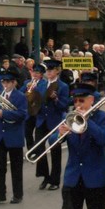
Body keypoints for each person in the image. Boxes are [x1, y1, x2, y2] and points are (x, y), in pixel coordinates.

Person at [0, 69, 28, 205]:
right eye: (3, 82)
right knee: (0, 167)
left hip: (14, 136)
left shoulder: (20, 96)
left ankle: (18, 194)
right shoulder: (0, 94)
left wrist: (3, 113)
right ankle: (0, 194)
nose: (5, 84)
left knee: (16, 168)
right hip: (1, 136)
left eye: (7, 82)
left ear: (14, 83)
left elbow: (22, 114)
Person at [34, 59, 69, 190]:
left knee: (55, 150)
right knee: (39, 148)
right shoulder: (41, 85)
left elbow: (64, 106)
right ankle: (45, 176)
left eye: (51, 70)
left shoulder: (63, 86)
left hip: (55, 121)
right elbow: (36, 103)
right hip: (41, 120)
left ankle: (55, 180)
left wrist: (56, 99)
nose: (48, 72)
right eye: (47, 70)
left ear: (57, 71)